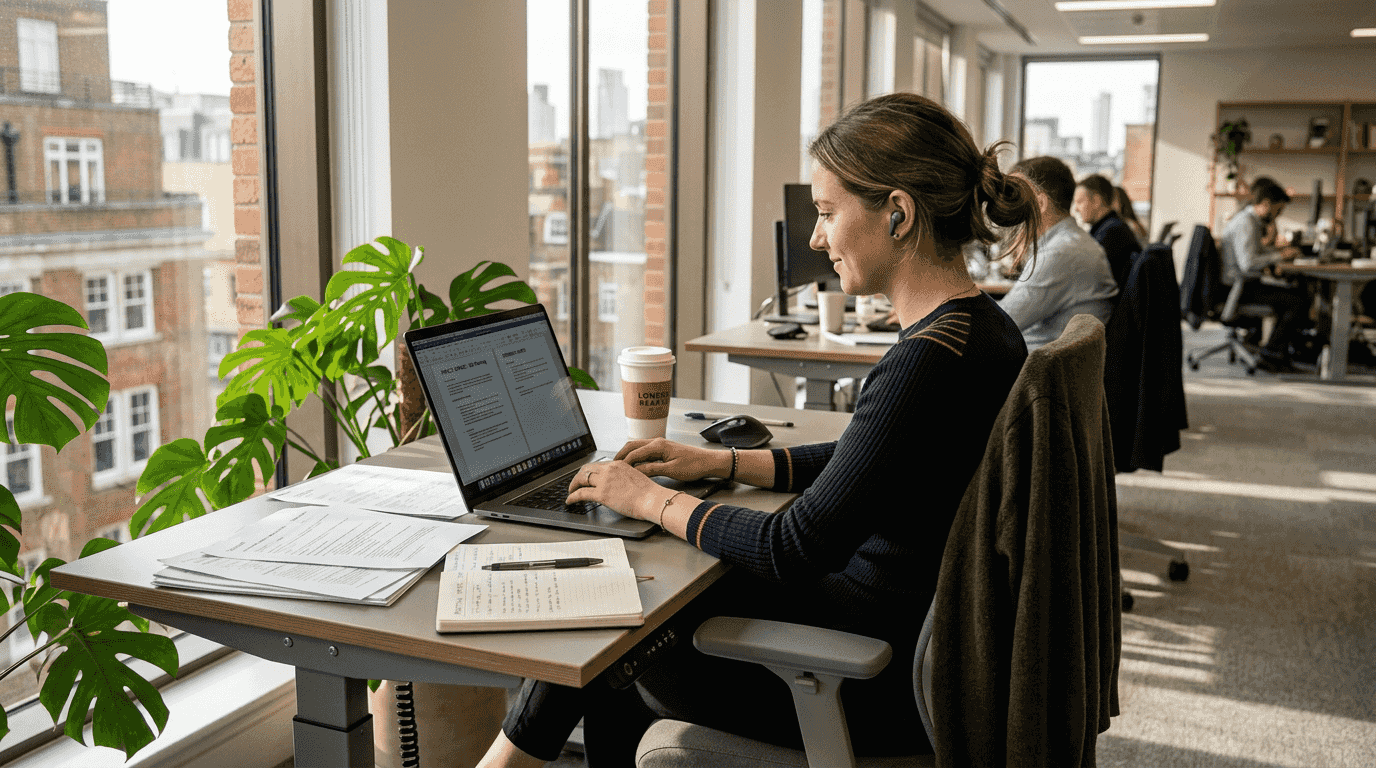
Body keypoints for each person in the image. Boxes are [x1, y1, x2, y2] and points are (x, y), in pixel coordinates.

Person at [475, 92, 1040, 768]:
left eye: (827, 213)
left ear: (898, 212)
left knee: (617, 610)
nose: (815, 237)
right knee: (640, 592)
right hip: (901, 635)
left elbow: (793, 547)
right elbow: (875, 458)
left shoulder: (925, 361)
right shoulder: (982, 331)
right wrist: (723, 465)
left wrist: (648, 498)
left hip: (864, 680)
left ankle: (504, 762)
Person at [999, 156, 1118, 351]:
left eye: (1013, 196)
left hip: (1035, 372)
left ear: (1040, 203)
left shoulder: (1060, 253)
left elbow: (1001, 324)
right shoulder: (1068, 243)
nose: (1006, 206)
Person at [1217, 183, 1309, 371]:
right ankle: (1272, 354)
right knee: (1297, 301)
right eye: (1278, 210)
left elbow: (1256, 252)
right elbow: (1249, 263)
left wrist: (1278, 251)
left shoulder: (1250, 221)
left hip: (1242, 285)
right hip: (1239, 289)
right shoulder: (1245, 223)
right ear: (1266, 204)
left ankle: (1268, 346)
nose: (1279, 215)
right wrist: (1280, 256)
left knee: (1296, 292)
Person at [1073, 174, 1139, 290]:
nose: (1076, 209)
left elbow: (1090, 280)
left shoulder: (1110, 234)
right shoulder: (1111, 227)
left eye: (1079, 202)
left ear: (1096, 201)